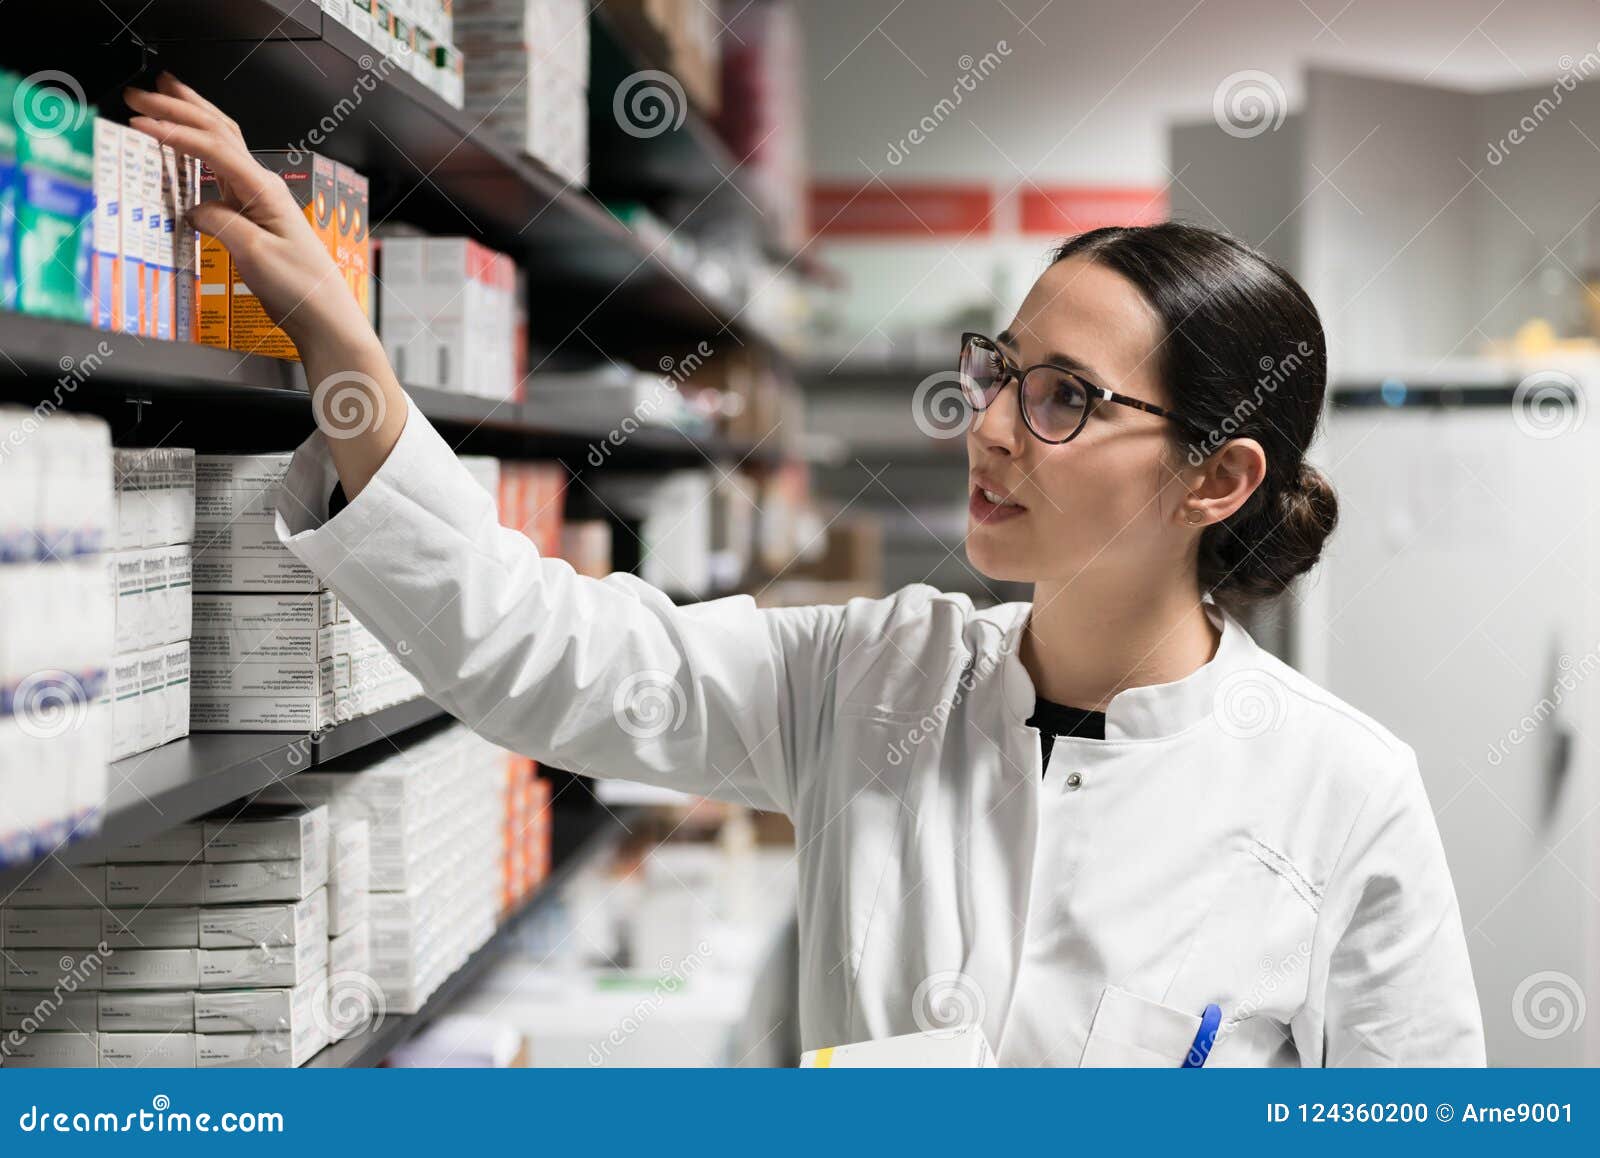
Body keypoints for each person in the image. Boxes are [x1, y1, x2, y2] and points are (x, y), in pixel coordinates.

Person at [125, 73, 1486, 1067]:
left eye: (1065, 398)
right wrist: (337, 338)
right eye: (1001, 371)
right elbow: (532, 648)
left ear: (1217, 477)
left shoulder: (1345, 793)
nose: (995, 426)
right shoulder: (872, 671)